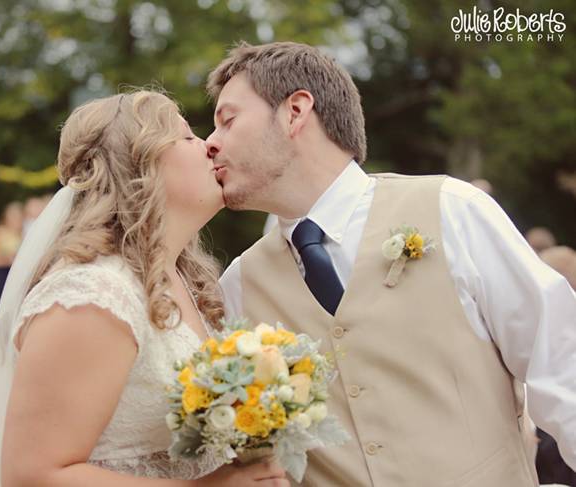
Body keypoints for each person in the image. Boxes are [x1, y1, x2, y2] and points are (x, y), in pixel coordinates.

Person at [206, 41, 576, 486]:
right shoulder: (239, 286)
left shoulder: (452, 210)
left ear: (295, 111)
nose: (211, 143)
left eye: (227, 120)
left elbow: (562, 367)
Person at [0, 91, 289, 487]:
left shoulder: (187, 284)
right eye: (187, 136)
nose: (208, 145)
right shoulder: (92, 294)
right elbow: (33, 475)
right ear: (140, 166)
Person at [0, 201, 24, 317]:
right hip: (1, 275)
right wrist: (7, 260)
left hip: (16, 276)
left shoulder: (24, 234)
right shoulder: (0, 233)